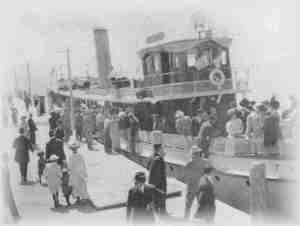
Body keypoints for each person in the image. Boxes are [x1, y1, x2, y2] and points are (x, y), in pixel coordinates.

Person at [184, 146, 211, 219]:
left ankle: (186, 218)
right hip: (200, 186)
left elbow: (185, 174)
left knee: (188, 204)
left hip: (192, 186)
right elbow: (208, 172)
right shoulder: (205, 161)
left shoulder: (189, 163)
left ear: (193, 153)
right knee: (200, 203)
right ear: (199, 153)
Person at [147, 130, 167, 216]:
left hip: (155, 184)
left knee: (156, 201)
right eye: (163, 148)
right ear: (160, 148)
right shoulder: (158, 159)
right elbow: (157, 175)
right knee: (160, 203)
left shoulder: (152, 156)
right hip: (159, 185)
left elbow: (148, 167)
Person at [68, 141, 93, 206]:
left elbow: (70, 166)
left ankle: (79, 199)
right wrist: (84, 173)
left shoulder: (71, 157)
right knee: (81, 186)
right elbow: (83, 164)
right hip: (80, 173)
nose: (74, 150)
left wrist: (69, 171)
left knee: (76, 186)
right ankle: (83, 199)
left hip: (75, 174)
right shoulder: (80, 156)